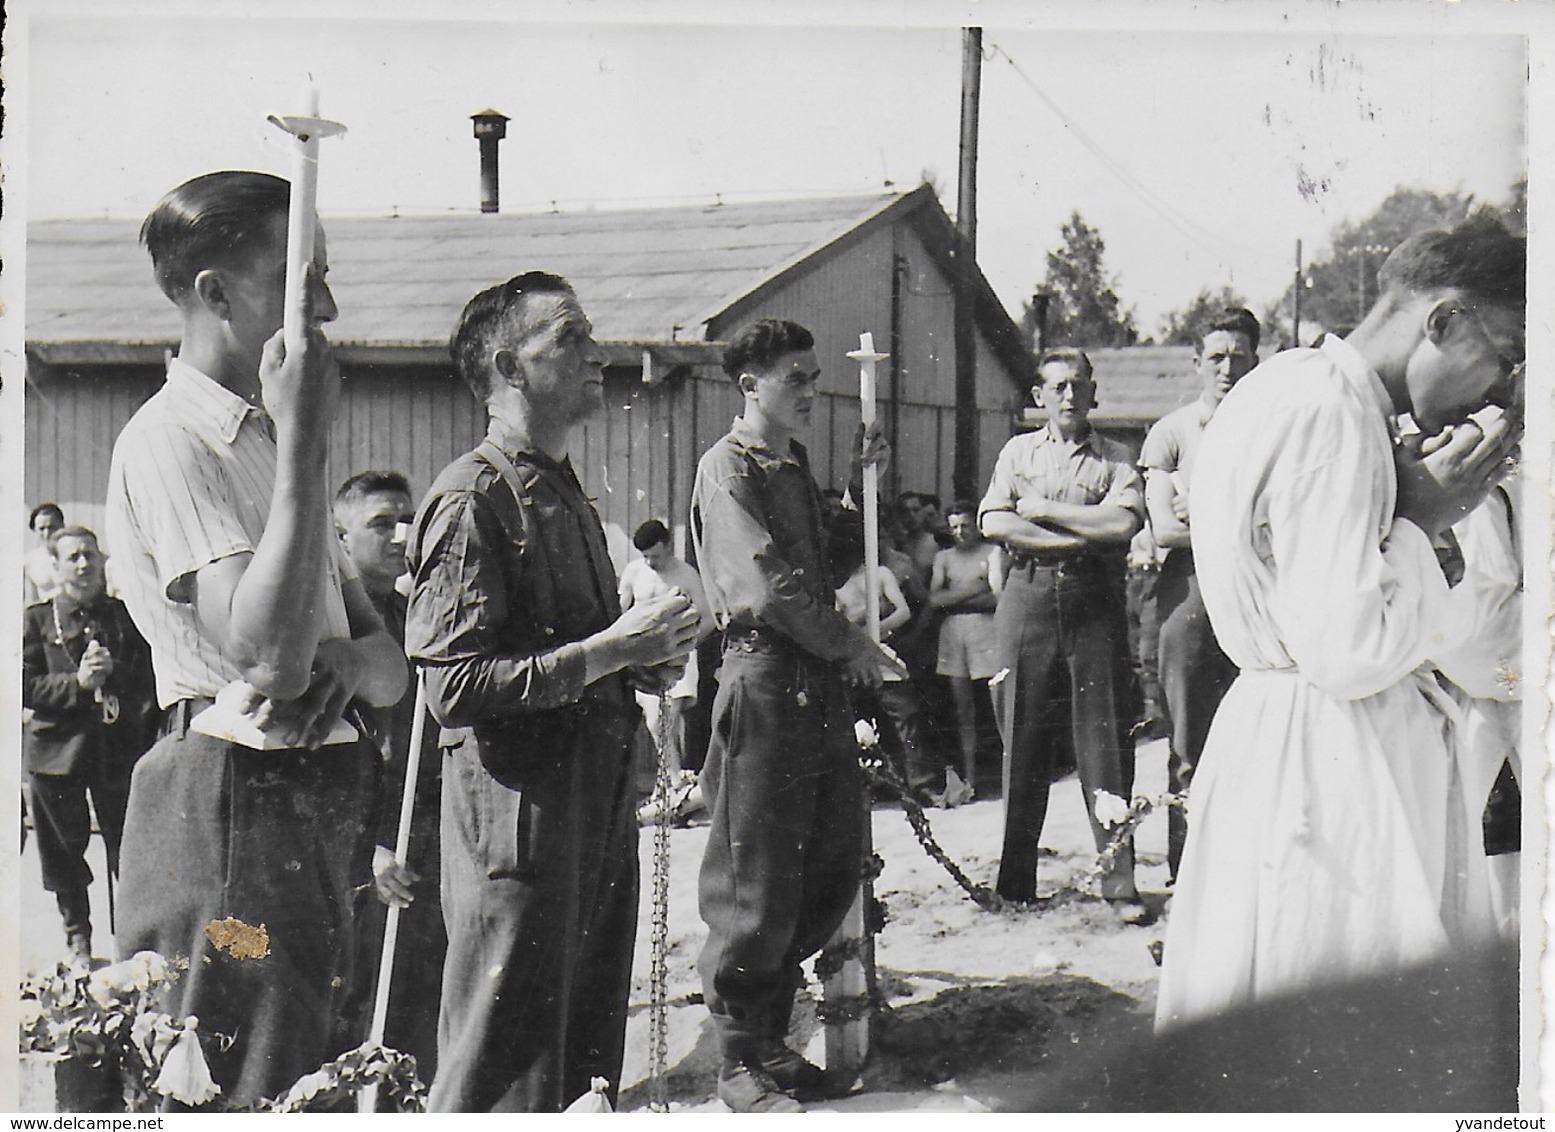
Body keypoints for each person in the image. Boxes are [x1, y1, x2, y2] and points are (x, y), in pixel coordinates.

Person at [1154, 217, 1525, 1031]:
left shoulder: (1290, 385)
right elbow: (1346, 649)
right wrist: (1422, 522)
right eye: (1503, 352)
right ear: (1443, 321)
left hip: (1293, 737)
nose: (1500, 386)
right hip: (1332, 757)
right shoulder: (1329, 412)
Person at [104, 170, 407, 1104]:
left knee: (318, 1058)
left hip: (311, 792)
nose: (325, 302)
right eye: (299, 275)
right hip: (226, 800)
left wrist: (350, 662)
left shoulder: (271, 442)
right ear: (215, 293)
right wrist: (306, 442)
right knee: (240, 1070)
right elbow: (269, 658)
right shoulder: (171, 442)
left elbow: (388, 669)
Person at [403, 272, 699, 1112]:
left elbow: (577, 653)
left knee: (580, 1068)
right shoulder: (473, 498)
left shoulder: (560, 491)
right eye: (568, 337)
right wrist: (610, 652)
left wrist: (647, 660)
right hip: (522, 832)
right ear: (508, 366)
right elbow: (452, 685)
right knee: (505, 1071)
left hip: (589, 818)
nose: (595, 351)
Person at [690, 317, 899, 1112]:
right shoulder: (728, 468)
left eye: (814, 376)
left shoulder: (791, 465)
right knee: (755, 879)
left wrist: (855, 488)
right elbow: (760, 586)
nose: (811, 390)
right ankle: (737, 1058)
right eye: (796, 377)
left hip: (811, 680)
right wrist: (847, 643)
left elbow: (822, 556)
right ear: (750, 385)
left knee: (817, 863)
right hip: (765, 677)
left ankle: (769, 1042)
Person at [978, 347, 1144, 913]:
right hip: (1027, 598)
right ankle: (1014, 884)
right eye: (1058, 386)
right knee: (1022, 739)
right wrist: (1074, 536)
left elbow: (1122, 522)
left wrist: (1044, 509)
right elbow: (995, 519)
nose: (1070, 395)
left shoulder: (1117, 458)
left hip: (1093, 602)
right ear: (1039, 397)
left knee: (1105, 745)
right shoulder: (1017, 450)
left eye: (1079, 385)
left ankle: (1119, 884)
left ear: (1094, 393)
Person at [332, 469, 445, 1087]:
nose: (400, 534)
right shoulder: (331, 625)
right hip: (361, 846)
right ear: (340, 537)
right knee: (355, 1010)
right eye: (381, 522)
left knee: (417, 997)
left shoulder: (418, 616)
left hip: (419, 828)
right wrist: (364, 844)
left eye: (407, 520)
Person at [1139, 308, 1260, 881]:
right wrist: (1240, 514)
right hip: (1189, 588)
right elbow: (1164, 528)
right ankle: (1189, 872)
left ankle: (1248, 865)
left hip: (1256, 586)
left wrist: (1205, 505)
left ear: (1256, 359)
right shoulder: (1174, 431)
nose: (1228, 367)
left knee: (1263, 727)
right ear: (1196, 364)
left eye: (1239, 356)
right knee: (1188, 736)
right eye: (1217, 357)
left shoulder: (1269, 425)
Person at [23, 526, 157, 963]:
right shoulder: (36, 619)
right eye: (73, 557)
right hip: (56, 755)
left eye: (90, 556)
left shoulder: (124, 615)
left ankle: (136, 943)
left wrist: (113, 670)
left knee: (130, 850)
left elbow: (149, 678)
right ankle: (78, 941)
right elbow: (23, 685)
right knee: (63, 853)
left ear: (102, 562)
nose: (83, 565)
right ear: (57, 567)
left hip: (116, 752)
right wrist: (76, 684)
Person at [618, 518, 713, 817]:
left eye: (655, 556)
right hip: (643, 658)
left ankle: (673, 783)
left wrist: (685, 644)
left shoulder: (686, 575)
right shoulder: (635, 572)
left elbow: (709, 617)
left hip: (678, 657)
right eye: (645, 556)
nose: (650, 561)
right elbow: (620, 613)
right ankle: (674, 785)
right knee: (656, 721)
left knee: (663, 720)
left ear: (668, 545)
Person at [928, 500, 1000, 797]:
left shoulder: (992, 552)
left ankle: (1006, 775)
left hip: (987, 630)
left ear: (977, 527)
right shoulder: (944, 558)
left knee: (998, 703)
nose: (960, 532)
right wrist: (976, 589)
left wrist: (954, 597)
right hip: (954, 633)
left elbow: (997, 598)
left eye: (966, 526)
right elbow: (934, 600)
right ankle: (970, 779)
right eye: (954, 527)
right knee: (963, 709)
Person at [23, 503, 66, 606]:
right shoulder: (29, 562)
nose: (47, 533)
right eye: (42, 529)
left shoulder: (78, 557)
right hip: (47, 618)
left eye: (52, 527)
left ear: (62, 526)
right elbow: (31, 602)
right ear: (34, 530)